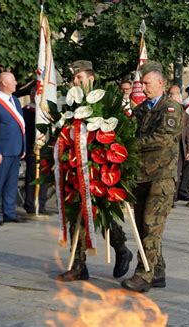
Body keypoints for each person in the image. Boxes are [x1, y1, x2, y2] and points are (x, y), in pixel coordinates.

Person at [57, 60, 132, 281]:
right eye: (73, 78)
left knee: (101, 214)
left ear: (90, 79)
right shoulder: (70, 105)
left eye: (79, 78)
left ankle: (121, 248)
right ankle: (79, 264)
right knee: (75, 215)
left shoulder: (106, 100)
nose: (75, 81)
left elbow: (118, 132)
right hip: (75, 166)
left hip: (100, 168)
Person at [121, 61, 183, 292]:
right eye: (142, 84)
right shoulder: (141, 110)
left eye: (147, 83)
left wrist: (131, 145)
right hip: (141, 177)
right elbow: (127, 129)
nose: (144, 88)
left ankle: (143, 275)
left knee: (151, 225)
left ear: (161, 83)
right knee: (143, 227)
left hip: (161, 178)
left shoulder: (171, 108)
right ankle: (157, 271)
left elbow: (164, 138)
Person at [0, 72, 26, 226]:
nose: (16, 83)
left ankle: (9, 212)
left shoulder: (15, 100)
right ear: (3, 83)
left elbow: (21, 126)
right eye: (13, 80)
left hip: (15, 149)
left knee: (11, 184)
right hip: (2, 151)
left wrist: (22, 146)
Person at [22, 86, 48, 215]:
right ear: (33, 96)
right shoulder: (26, 112)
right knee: (32, 177)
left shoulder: (44, 112)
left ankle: (41, 204)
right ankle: (31, 204)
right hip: (32, 148)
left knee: (44, 178)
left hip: (45, 149)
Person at [169, 85, 189, 204]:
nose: (173, 97)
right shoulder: (164, 110)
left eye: (175, 94)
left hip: (179, 147)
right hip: (167, 147)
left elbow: (188, 133)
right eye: (171, 94)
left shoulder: (185, 115)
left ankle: (173, 197)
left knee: (176, 173)